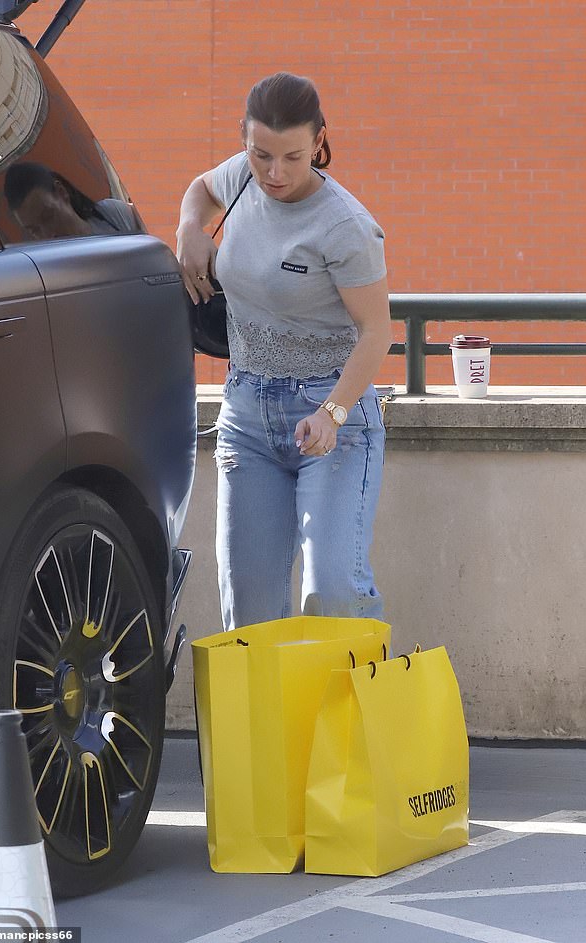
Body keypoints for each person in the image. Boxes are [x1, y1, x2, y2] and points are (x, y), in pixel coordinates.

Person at [177, 71, 391, 630]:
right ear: (245, 140)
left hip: (331, 416)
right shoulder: (243, 178)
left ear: (319, 141)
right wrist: (188, 231)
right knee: (247, 618)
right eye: (260, 154)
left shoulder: (345, 226)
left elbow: (377, 333)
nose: (274, 173)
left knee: (333, 598)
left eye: (293, 157)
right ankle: (267, 724)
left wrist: (334, 413)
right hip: (247, 415)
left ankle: (350, 718)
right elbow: (201, 190)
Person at [3, 161, 139, 240]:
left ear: (61, 192)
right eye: (34, 230)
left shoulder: (111, 214)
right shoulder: (54, 276)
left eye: (48, 216)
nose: (48, 235)